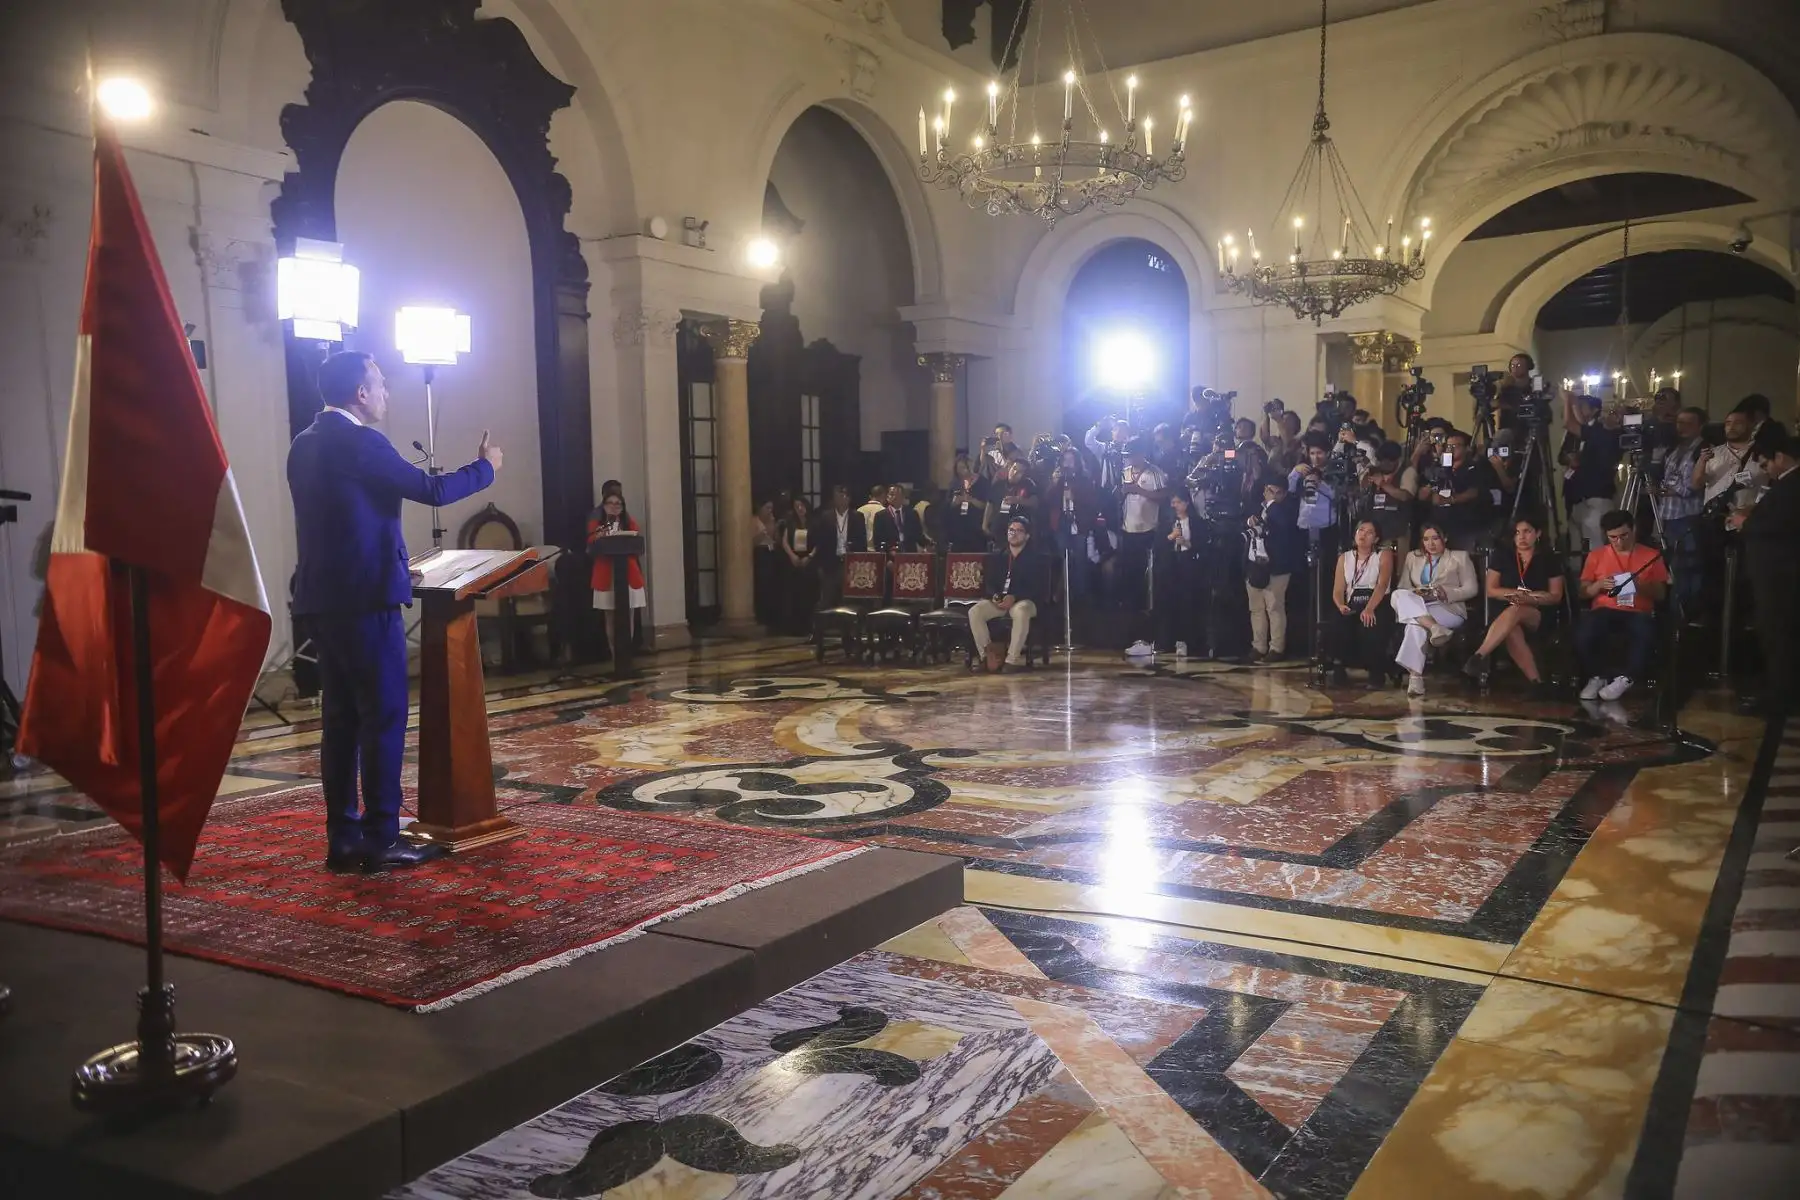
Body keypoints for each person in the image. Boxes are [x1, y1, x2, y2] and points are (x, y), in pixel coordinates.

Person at [287, 350, 500, 873]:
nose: (385, 393)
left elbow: (341, 523)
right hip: (365, 604)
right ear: (360, 393)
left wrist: (394, 566)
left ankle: (342, 839)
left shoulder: (304, 443)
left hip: (323, 600)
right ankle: (382, 838)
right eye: (380, 383)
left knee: (340, 723)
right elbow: (431, 489)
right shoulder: (360, 442)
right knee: (382, 719)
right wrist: (486, 468)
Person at [1728, 434, 1800, 715]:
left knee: (1779, 635)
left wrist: (1744, 522)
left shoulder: (1792, 486)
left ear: (1780, 457)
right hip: (1777, 573)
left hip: (1780, 576)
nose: (1765, 468)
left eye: (1766, 462)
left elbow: (1779, 529)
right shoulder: (1786, 486)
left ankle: (1781, 696)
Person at [1575, 509, 1668, 702]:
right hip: (1604, 608)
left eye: (1624, 536)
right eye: (1613, 537)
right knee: (1586, 631)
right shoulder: (1596, 556)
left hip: (1637, 610)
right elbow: (1582, 592)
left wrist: (1639, 585)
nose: (1619, 542)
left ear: (1634, 530)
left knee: (1644, 632)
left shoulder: (1652, 555)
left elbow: (1661, 594)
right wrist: (1598, 585)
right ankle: (1597, 676)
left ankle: (1626, 678)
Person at [1464, 515, 1563, 691]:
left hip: (1538, 613)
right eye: (1517, 533)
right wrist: (1513, 594)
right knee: (1512, 630)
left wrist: (1530, 598)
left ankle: (1479, 655)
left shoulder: (1549, 558)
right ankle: (1537, 683)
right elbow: (1491, 590)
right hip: (1505, 612)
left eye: (1527, 532)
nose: (1521, 537)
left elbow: (1555, 595)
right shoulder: (1503, 555)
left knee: (1517, 610)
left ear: (1538, 533)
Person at [1391, 523, 1478, 695]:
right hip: (1421, 605)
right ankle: (1434, 628)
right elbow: (1404, 588)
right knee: (1397, 595)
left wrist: (1446, 593)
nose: (1431, 543)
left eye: (1435, 538)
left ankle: (1415, 679)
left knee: (1414, 624)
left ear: (1444, 538)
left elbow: (1472, 589)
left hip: (1448, 607)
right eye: (1426, 539)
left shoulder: (1459, 557)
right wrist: (1417, 593)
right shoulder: (1412, 557)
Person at [968, 515, 1046, 672]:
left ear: (1027, 535)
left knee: (1020, 610)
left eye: (1019, 531)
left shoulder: (1036, 558)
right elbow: (989, 583)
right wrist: (995, 597)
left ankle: (1012, 660)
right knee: (975, 611)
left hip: (1027, 601)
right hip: (1002, 601)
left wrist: (1015, 597)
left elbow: (1037, 587)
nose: (1014, 533)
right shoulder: (998, 556)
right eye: (1011, 530)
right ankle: (987, 657)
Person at [1118, 438, 1169, 657]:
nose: (1129, 458)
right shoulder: (1125, 471)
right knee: (1130, 581)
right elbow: (1120, 494)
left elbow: (1163, 495)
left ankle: (1151, 634)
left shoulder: (1155, 472)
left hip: (1149, 530)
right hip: (1128, 530)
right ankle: (1132, 630)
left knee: (1150, 582)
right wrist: (1124, 491)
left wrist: (1138, 489)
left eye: (1132, 454)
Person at [1329, 519, 1395, 687]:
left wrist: (1369, 608)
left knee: (1371, 624)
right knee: (1338, 622)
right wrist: (1340, 605)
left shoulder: (1383, 554)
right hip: (1352, 602)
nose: (1363, 535)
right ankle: (1339, 668)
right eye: (1360, 530)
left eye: (1369, 532)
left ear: (1377, 539)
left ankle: (1376, 672)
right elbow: (1338, 589)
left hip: (1376, 601)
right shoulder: (1344, 558)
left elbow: (1382, 585)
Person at [1656, 406, 1707, 617]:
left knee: (1688, 565)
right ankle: (1673, 609)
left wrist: (1666, 490)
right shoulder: (1674, 449)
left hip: (1688, 517)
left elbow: (1694, 487)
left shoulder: (1703, 450)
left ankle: (1687, 612)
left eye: (1688, 423)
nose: (1682, 427)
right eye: (1679, 422)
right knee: (1672, 566)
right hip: (1668, 516)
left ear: (1700, 426)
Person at [1245, 474, 1303, 662]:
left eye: (1278, 493)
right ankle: (1258, 645)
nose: (1273, 495)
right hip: (1255, 564)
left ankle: (1277, 648)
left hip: (1277, 566)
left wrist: (1272, 504)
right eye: (1270, 491)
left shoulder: (1286, 509)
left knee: (1274, 607)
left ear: (1285, 494)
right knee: (1256, 608)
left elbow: (1284, 526)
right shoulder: (1257, 507)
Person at [587, 490, 646, 650]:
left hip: (628, 575)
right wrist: (600, 535)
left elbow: (636, 542)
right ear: (604, 506)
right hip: (606, 575)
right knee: (610, 617)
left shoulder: (629, 522)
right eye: (610, 503)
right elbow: (591, 542)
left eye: (618, 504)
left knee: (629, 616)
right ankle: (615, 654)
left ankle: (627, 653)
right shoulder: (597, 524)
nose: (614, 507)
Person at [1562, 392, 1621, 550]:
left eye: (1615, 414)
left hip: (1599, 496)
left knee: (1596, 544)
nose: (1610, 415)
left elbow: (1571, 423)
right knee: (1576, 543)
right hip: (1579, 496)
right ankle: (1579, 573)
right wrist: (1572, 404)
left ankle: (1599, 574)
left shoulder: (1615, 436)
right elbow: (1574, 424)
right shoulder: (1597, 432)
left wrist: (1569, 401)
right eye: (1610, 412)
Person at [1156, 490, 1206, 656]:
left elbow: (1201, 545)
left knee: (1188, 604)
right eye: (1173, 502)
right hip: (1170, 566)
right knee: (1170, 604)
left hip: (1188, 565)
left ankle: (1188, 641)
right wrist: (1171, 537)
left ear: (1186, 503)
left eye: (1177, 502)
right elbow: (1158, 544)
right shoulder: (1167, 522)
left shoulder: (1196, 522)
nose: (1174, 505)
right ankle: (1167, 640)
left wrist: (1186, 542)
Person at [1429, 431, 1494, 551]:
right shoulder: (1441, 470)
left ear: (1467, 448)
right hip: (1442, 528)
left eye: (1456, 446)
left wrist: (1450, 499)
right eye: (1448, 446)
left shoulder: (1475, 468)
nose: (1451, 450)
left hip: (1467, 526)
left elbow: (1474, 492)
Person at [812, 484, 865, 607]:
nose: (841, 499)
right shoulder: (826, 517)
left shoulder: (857, 516)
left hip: (850, 564)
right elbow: (820, 542)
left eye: (844, 496)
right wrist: (819, 565)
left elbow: (862, 542)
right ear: (833, 499)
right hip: (830, 564)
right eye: (838, 497)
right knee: (828, 600)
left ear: (849, 499)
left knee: (848, 601)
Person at [1362, 441, 1418, 548]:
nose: (1382, 465)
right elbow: (1362, 492)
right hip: (1375, 529)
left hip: (1399, 531)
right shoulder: (1374, 470)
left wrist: (1383, 484)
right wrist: (1365, 483)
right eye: (1380, 461)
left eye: (1386, 462)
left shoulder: (1407, 471)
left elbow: (1405, 496)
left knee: (1398, 563)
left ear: (1395, 460)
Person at [778, 495, 818, 632]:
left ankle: (809, 625)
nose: (800, 509)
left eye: (801, 505)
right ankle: (794, 626)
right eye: (796, 506)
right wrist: (792, 556)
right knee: (793, 593)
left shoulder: (814, 522)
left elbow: (818, 543)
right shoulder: (790, 522)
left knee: (809, 593)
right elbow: (784, 541)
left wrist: (810, 556)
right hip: (794, 558)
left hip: (809, 559)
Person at [983, 458, 1039, 544]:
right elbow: (990, 503)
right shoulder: (998, 484)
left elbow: (1035, 502)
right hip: (998, 529)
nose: (1015, 473)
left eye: (1020, 471)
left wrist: (1018, 501)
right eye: (1014, 468)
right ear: (1010, 468)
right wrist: (985, 524)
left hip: (1018, 530)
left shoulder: (1028, 484)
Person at [752, 498, 780, 628]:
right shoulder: (754, 521)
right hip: (760, 553)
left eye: (771, 508)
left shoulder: (771, 520)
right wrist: (763, 533)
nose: (769, 511)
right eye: (767, 508)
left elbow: (774, 537)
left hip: (771, 553)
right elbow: (751, 541)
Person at [871, 484, 924, 551]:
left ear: (903, 497)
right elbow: (877, 541)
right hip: (890, 556)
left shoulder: (912, 514)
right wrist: (888, 551)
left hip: (909, 554)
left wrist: (927, 544)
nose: (895, 497)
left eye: (898, 495)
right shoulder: (880, 516)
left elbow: (918, 535)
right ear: (887, 497)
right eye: (892, 494)